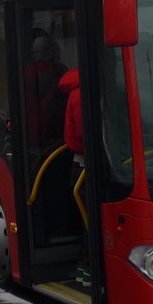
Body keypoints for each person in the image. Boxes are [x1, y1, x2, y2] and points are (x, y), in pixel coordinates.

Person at [58, 67, 90, 287]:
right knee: (91, 223)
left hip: (83, 165)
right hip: (85, 167)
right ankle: (88, 269)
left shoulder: (79, 89)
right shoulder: (81, 92)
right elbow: (84, 133)